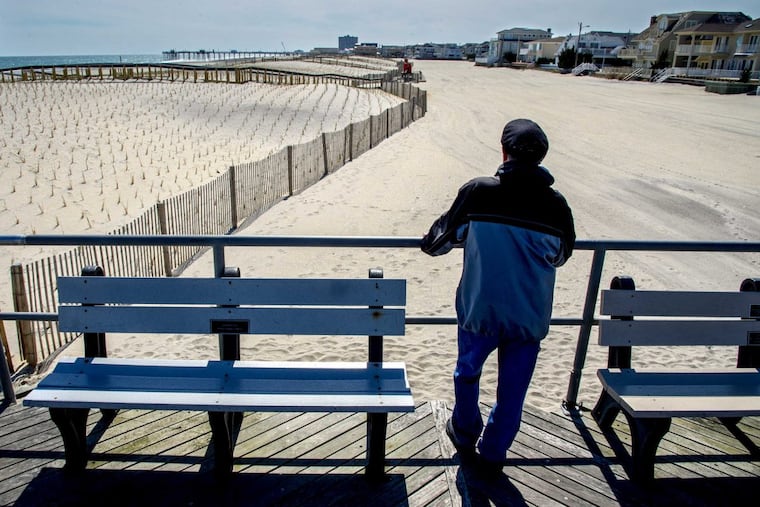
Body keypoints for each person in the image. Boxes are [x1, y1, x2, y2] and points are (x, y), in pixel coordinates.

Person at [420, 118, 575, 474]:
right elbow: (561, 255)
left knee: (467, 372)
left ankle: (464, 429)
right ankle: (493, 452)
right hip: (528, 314)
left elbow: (438, 242)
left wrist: (471, 237)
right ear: (540, 158)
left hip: (481, 309)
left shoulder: (479, 191)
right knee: (512, 393)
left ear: (503, 151)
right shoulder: (556, 204)